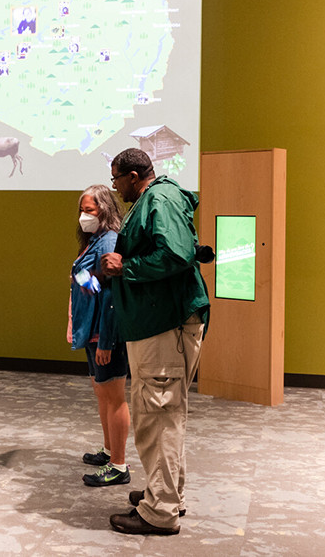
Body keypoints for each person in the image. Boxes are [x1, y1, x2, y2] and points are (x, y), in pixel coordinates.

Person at [101, 148, 210, 536]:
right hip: (159, 323)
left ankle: (159, 511)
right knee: (166, 412)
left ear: (133, 175)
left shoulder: (158, 199)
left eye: (116, 179)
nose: (114, 187)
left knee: (158, 415)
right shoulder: (156, 199)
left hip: (164, 326)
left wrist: (124, 266)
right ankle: (166, 493)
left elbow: (176, 254)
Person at [68, 185, 131, 487]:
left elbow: (111, 294)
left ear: (104, 209)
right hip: (90, 329)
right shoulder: (94, 240)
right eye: (82, 210)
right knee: (102, 393)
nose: (84, 216)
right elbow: (94, 284)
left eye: (89, 210)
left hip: (104, 333)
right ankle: (109, 451)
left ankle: (119, 465)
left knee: (114, 396)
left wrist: (106, 340)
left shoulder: (109, 240)